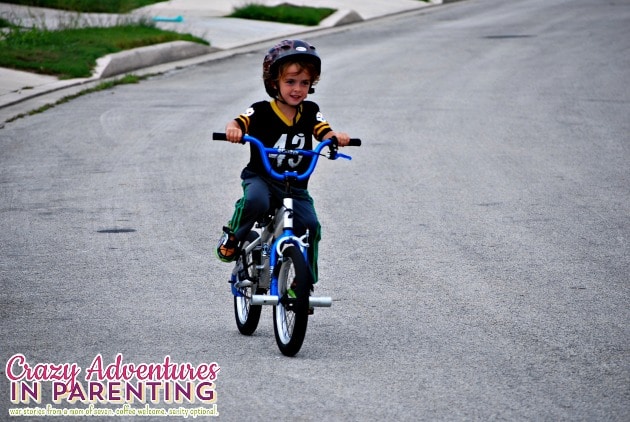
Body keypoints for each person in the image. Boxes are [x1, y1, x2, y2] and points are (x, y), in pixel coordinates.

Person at [216, 39, 350, 285]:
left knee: (310, 225)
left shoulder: (310, 111)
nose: (297, 89)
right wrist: (232, 130)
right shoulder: (261, 110)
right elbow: (237, 123)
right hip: (262, 178)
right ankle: (234, 236)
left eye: (304, 83)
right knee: (256, 201)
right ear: (273, 82)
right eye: (290, 82)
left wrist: (335, 138)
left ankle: (303, 283)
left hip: (294, 185)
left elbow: (324, 131)